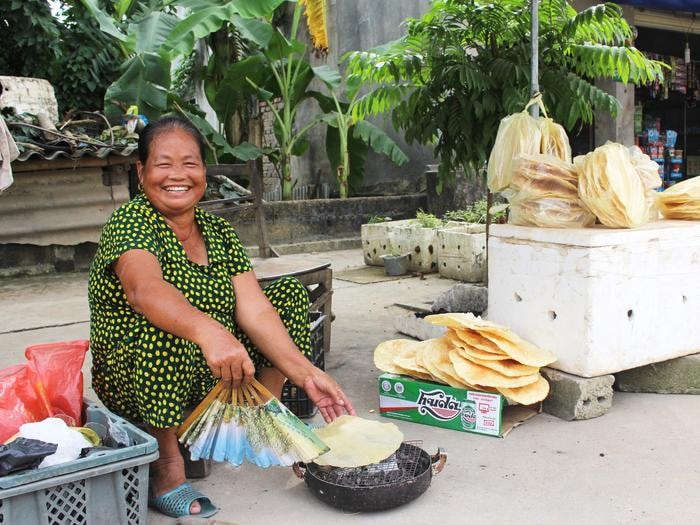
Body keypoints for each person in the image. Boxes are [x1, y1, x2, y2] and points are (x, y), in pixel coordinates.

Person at [88, 116, 355, 518]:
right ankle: (166, 466)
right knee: (161, 326)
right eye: (163, 164)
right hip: (140, 380)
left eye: (190, 163)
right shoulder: (131, 223)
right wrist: (211, 332)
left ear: (204, 173)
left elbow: (255, 308)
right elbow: (145, 291)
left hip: (212, 368)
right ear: (141, 172)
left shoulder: (216, 231)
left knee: (284, 294)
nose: (178, 175)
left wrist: (306, 373)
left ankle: (255, 419)